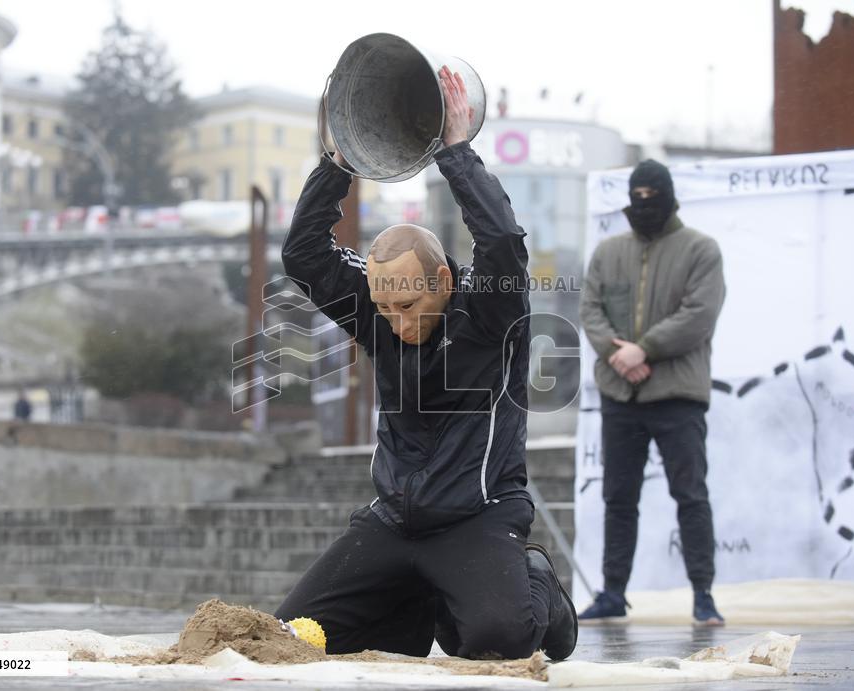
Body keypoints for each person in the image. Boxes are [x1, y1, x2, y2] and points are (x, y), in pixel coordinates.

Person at [275, 66, 577, 660]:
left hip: (478, 518)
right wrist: (337, 163)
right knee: (286, 639)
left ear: (443, 279)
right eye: (384, 306)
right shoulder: (379, 310)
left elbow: (502, 244)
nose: (396, 318)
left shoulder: (488, 310)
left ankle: (538, 584)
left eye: (410, 302)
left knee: (498, 641)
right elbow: (304, 254)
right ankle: (412, 606)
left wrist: (456, 153)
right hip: (393, 522)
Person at [579, 160, 727, 625]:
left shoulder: (702, 250)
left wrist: (644, 349)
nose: (644, 207)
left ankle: (703, 595)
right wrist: (616, 352)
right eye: (636, 197)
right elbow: (591, 309)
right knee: (618, 499)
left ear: (668, 198)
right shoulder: (608, 252)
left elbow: (699, 314)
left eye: (652, 198)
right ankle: (613, 593)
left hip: (678, 396)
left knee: (691, 495)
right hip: (620, 395)